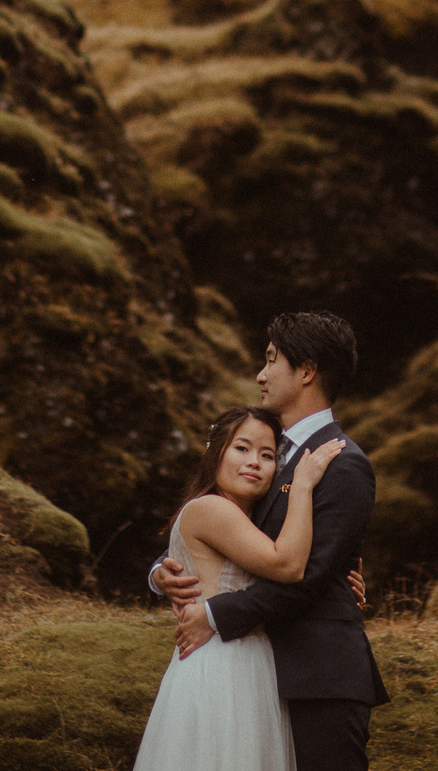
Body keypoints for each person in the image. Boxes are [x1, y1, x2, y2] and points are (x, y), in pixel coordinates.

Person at [151, 312, 390, 771]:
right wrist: (167, 569)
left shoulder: (343, 463)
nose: (260, 375)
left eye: (271, 361)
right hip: (257, 675)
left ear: (306, 371)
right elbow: (226, 525)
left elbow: (312, 577)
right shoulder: (266, 448)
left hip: (318, 676)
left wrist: (215, 615)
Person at [131, 405, 345, 771]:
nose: (254, 462)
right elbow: (286, 564)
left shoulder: (245, 518)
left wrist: (340, 573)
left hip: (248, 661)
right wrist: (304, 486)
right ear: (216, 453)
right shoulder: (212, 508)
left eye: (267, 455)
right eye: (241, 448)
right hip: (222, 663)